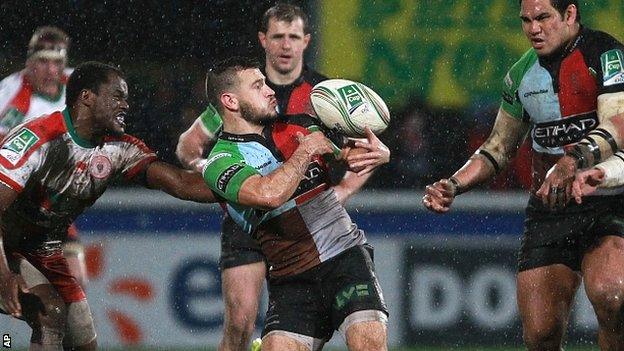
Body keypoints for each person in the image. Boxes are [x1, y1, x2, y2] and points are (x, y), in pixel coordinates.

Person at [176, 4, 387, 351]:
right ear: (264, 40)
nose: (286, 46)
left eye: (293, 37)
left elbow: (358, 150)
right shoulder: (228, 136)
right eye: (278, 37)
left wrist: (367, 165)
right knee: (241, 322)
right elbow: (191, 150)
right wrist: (216, 179)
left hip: (336, 249)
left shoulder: (316, 102)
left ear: (306, 41)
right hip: (274, 249)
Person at [423, 1, 624, 349]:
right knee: (541, 334)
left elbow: (619, 124)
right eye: (526, 20)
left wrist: (572, 160)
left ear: (570, 14)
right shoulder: (519, 75)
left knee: (612, 297)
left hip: (608, 202)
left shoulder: (607, 55)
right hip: (551, 210)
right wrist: (454, 184)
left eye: (543, 17)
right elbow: (497, 148)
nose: (533, 28)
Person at [0, 61, 216, 350]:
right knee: (50, 314)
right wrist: (3, 276)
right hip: (6, 246)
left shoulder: (119, 148)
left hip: (41, 248)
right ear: (86, 97)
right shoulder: (39, 139)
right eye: (117, 96)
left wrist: (243, 186)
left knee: (83, 339)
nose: (125, 105)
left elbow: (181, 183)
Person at [0, 26, 88, 289]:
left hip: (52, 205)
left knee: (76, 283)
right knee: (26, 292)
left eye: (57, 63)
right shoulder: (12, 96)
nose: (51, 70)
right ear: (29, 63)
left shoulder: (79, 87)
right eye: (43, 62)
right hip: (17, 204)